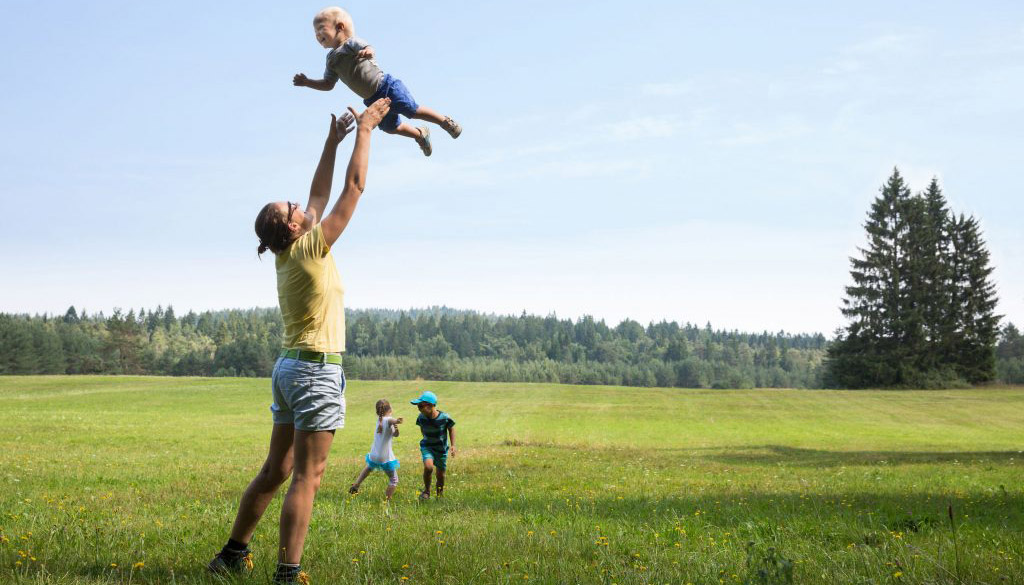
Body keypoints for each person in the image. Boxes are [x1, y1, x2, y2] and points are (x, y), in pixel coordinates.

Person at [207, 97, 392, 585]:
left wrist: (331, 141)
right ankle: (288, 573)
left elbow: (317, 194)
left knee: (276, 470)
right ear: (293, 226)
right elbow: (352, 189)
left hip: (288, 370)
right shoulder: (312, 247)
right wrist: (366, 131)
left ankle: (231, 554)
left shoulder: (286, 252)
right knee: (307, 477)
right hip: (314, 370)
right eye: (293, 209)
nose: (301, 206)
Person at [293, 6, 462, 157]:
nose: (317, 35)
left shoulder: (351, 43)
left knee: (412, 110)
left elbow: (370, 48)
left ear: (339, 27)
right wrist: (308, 82)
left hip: (387, 87)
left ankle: (444, 121)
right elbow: (328, 84)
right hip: (372, 100)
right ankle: (420, 135)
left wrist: (367, 52)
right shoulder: (331, 59)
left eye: (321, 29)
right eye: (315, 32)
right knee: (391, 128)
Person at [348, 399, 404, 502]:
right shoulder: (388, 420)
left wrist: (396, 428)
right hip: (384, 457)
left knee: (369, 467)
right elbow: (391, 420)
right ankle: (387, 501)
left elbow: (395, 435)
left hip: (374, 454)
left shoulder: (380, 420)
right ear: (390, 409)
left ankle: (356, 485)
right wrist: (397, 421)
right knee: (394, 480)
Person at [410, 391, 456, 500]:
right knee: (428, 467)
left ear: (431, 405)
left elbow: (451, 428)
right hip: (427, 446)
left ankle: (440, 495)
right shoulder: (421, 417)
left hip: (441, 449)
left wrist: (453, 445)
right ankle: (426, 491)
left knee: (440, 475)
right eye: (418, 406)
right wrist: (426, 438)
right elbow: (422, 428)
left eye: (421, 406)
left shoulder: (444, 417)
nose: (419, 409)